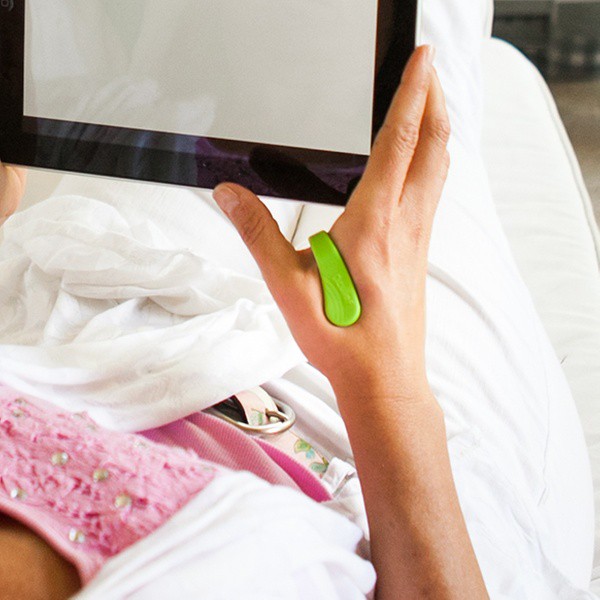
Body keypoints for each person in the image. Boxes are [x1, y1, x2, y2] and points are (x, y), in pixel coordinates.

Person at [0, 3, 595, 599]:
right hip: (369, 462)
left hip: (80, 342)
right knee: (420, 99)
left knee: (171, 103)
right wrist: (386, 385)